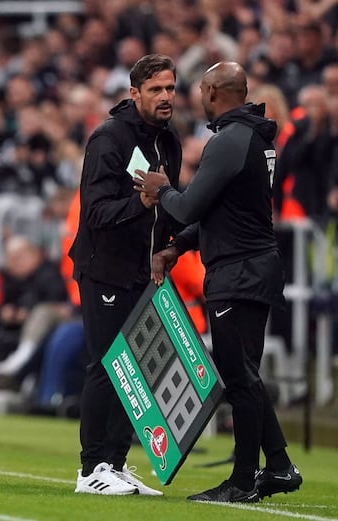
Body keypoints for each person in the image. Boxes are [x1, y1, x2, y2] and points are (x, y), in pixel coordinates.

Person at [135, 61, 302, 503]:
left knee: (238, 376)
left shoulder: (229, 140)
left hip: (240, 272)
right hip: (249, 267)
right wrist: (177, 248)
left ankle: (243, 479)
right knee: (244, 374)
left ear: (211, 90)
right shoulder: (249, 136)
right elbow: (220, 212)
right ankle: (280, 466)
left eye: (197, 88)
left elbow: (189, 206)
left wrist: (161, 188)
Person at [69, 53, 182, 496]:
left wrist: (171, 242)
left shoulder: (168, 142)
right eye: (156, 89)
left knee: (130, 368)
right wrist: (143, 203)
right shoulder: (108, 139)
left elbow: (168, 205)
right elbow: (94, 212)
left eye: (171, 88)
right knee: (105, 365)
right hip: (104, 269)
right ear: (134, 94)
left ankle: (113, 464)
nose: (166, 97)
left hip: (143, 269)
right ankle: (90, 469)